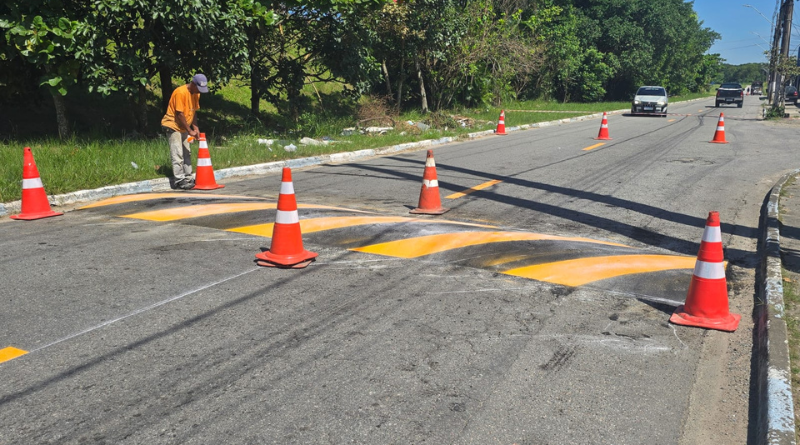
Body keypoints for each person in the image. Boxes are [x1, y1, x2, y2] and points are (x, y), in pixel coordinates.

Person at [161, 73, 209, 189]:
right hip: (173, 125)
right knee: (178, 153)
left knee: (187, 152)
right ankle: (179, 180)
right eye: (198, 88)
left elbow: (194, 112)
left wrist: (195, 127)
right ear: (193, 84)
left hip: (184, 126)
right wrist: (189, 130)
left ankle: (188, 177)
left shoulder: (196, 94)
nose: (199, 91)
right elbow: (179, 114)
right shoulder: (180, 92)